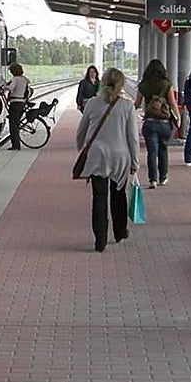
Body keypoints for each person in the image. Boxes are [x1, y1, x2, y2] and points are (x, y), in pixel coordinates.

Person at [75, 68, 139, 252]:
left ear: (102, 82)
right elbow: (132, 138)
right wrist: (135, 162)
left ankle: (100, 240)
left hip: (97, 156)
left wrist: (81, 146)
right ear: (121, 85)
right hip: (120, 156)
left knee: (99, 197)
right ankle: (120, 232)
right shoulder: (127, 106)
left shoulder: (92, 104)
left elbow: (81, 131)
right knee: (118, 195)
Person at [134, 59, 177, 189]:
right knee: (163, 150)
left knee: (151, 152)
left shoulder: (143, 85)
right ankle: (163, 177)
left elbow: (136, 103)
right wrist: (178, 118)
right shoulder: (166, 84)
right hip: (164, 122)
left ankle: (152, 179)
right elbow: (172, 103)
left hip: (150, 122)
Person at [5, 62, 33, 150]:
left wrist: (4, 86)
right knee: (16, 123)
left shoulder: (15, 79)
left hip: (15, 103)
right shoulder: (24, 79)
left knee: (13, 125)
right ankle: (17, 144)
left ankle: (15, 145)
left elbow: (11, 88)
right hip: (22, 102)